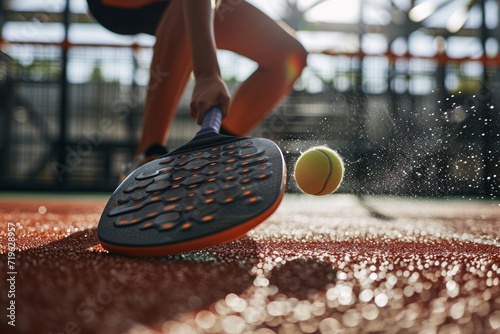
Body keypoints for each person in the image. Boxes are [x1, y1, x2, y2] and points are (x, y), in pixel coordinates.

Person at [86, 0, 308, 181]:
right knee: (185, 5)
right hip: (115, 6)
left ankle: (213, 160)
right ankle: (147, 158)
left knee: (290, 55)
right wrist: (207, 74)